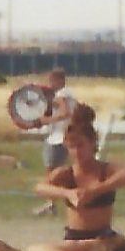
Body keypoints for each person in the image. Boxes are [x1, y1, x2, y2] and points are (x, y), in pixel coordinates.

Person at [33, 106, 125, 251]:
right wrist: (67, 193)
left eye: (81, 146)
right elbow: (40, 187)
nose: (77, 152)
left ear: (92, 143)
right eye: (72, 147)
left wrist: (96, 190)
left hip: (103, 239)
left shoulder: (105, 170)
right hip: (75, 240)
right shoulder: (66, 173)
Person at [29, 68, 80, 217]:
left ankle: (52, 203)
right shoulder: (70, 94)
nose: (50, 84)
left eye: (51, 81)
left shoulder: (61, 95)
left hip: (58, 137)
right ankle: (55, 202)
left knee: (51, 172)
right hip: (67, 134)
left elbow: (65, 113)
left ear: (59, 80)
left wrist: (46, 121)